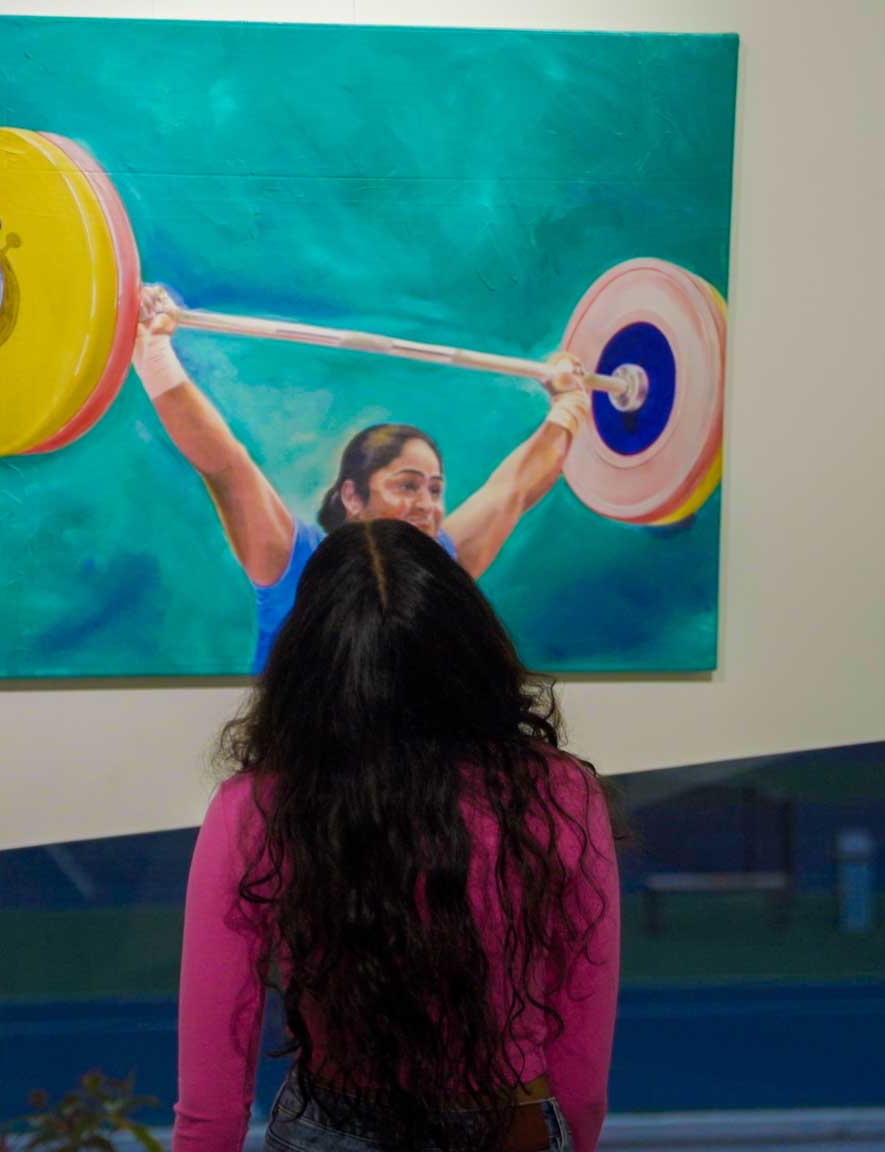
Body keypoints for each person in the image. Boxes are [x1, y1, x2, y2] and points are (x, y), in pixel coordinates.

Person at [174, 518, 623, 1152]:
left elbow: (214, 1077)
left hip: (331, 1128)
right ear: (468, 646)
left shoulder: (254, 808)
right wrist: (573, 1136)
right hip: (513, 1124)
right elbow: (581, 1034)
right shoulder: (561, 792)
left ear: (310, 663)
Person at [132, 286, 593, 671]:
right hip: (305, 753)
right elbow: (226, 466)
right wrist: (153, 352)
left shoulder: (441, 562)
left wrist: (569, 404)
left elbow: (514, 488)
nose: (426, 505)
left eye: (435, 489)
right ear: (352, 495)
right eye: (407, 485)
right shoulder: (296, 563)